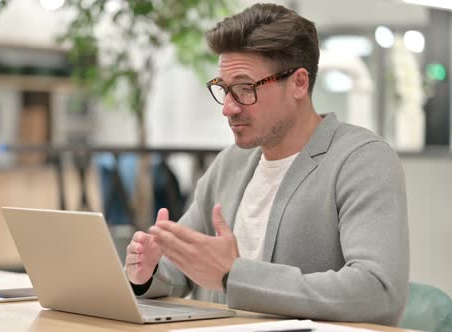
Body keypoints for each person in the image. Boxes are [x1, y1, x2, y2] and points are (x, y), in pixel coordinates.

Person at [124, 2, 409, 326]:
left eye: (245, 89)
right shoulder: (231, 163)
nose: (228, 108)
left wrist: (234, 275)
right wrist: (148, 272)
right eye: (223, 89)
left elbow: (378, 293)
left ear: (299, 83)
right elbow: (185, 266)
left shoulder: (362, 160)